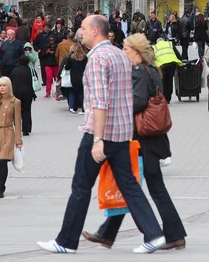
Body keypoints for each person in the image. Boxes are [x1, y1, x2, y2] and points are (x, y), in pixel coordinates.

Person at [36, 15, 165, 255]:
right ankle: (154, 233)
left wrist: (97, 139)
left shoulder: (96, 59)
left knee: (81, 186)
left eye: (83, 28)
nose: (80, 32)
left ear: (95, 31)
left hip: (101, 133)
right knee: (129, 185)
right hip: (121, 132)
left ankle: (66, 241)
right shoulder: (118, 54)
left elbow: (100, 102)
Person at [82, 33, 187, 250]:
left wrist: (115, 107)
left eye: (126, 48)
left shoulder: (139, 72)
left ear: (136, 52)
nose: (123, 52)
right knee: (133, 185)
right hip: (152, 139)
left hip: (144, 141)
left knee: (138, 186)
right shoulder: (151, 70)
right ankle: (108, 233)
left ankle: (173, 234)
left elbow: (138, 102)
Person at [10, 55, 36, 136]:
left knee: (17, 112)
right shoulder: (28, 70)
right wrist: (33, 94)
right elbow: (30, 83)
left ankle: (17, 128)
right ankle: (26, 130)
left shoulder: (15, 70)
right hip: (27, 93)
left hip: (16, 93)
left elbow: (10, 80)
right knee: (27, 111)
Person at [152, 38, 182, 103]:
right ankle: (168, 98)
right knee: (170, 80)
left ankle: (164, 97)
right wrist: (180, 61)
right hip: (172, 64)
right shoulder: (169, 44)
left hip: (162, 65)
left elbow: (152, 58)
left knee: (163, 81)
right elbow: (178, 54)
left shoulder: (154, 47)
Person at [64, 42, 88, 114]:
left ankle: (75, 108)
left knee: (76, 92)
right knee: (82, 92)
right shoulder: (84, 57)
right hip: (83, 76)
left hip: (74, 77)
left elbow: (67, 67)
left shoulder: (71, 57)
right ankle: (83, 108)